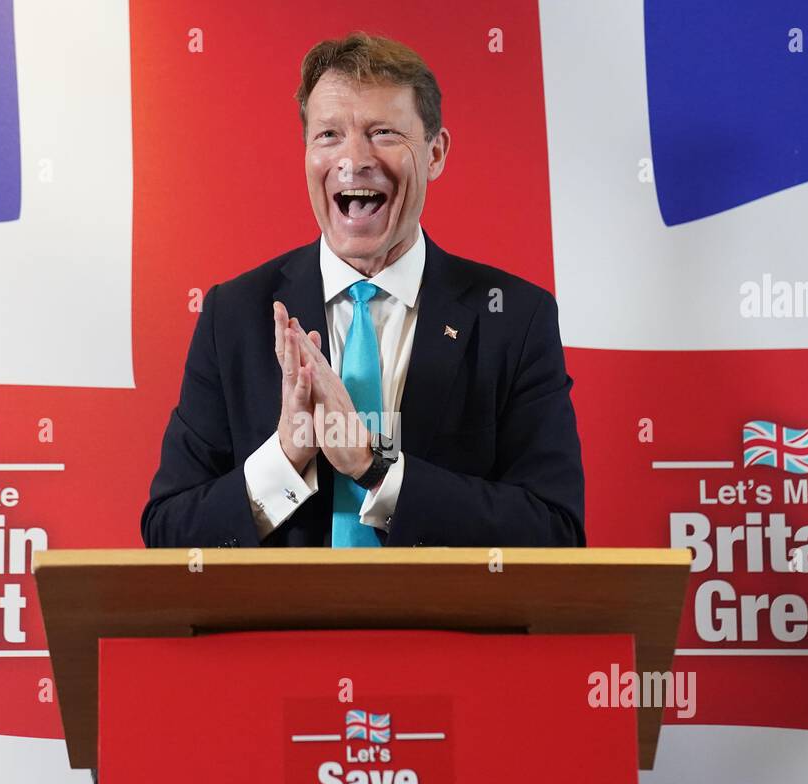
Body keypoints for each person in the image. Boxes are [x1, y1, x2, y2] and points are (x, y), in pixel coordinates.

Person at [141, 32, 584, 548]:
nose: (354, 159)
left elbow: (554, 533)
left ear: (435, 152)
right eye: (329, 135)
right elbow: (168, 534)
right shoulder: (233, 316)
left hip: (438, 629)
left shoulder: (513, 318)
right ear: (306, 152)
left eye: (383, 133)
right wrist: (284, 458)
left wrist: (378, 471)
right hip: (286, 629)